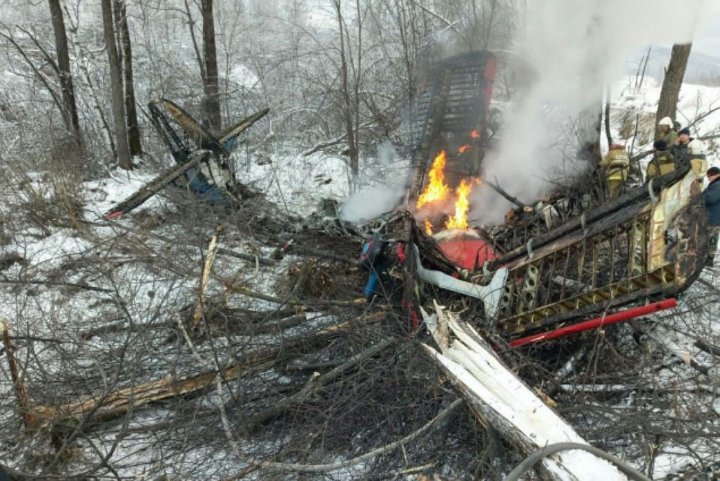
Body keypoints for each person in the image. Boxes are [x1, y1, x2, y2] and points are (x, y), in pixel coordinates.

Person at [704, 166, 720, 267]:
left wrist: (698, 197)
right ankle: (708, 258)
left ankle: (709, 259)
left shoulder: (718, 185)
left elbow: (710, 199)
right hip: (715, 216)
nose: (708, 179)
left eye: (708, 177)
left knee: (712, 237)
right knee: (712, 237)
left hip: (713, 216)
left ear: (713, 175)